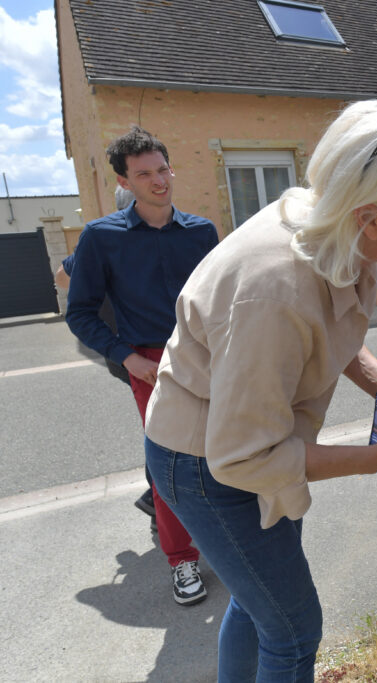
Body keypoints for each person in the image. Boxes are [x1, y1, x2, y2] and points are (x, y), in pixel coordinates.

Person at [143, 100, 377, 680]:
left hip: (246, 441)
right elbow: (244, 455)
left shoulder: (333, 227)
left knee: (258, 603)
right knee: (291, 628)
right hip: (209, 462)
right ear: (370, 216)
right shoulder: (275, 288)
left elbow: (327, 321)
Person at [65, 126, 220, 606]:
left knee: (224, 450)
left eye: (162, 170)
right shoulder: (100, 237)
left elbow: (218, 300)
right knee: (172, 463)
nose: (158, 181)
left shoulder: (202, 231)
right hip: (149, 364)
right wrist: (127, 357)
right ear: (125, 182)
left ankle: (232, 540)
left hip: (207, 356)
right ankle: (182, 559)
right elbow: (80, 313)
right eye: (144, 174)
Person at [57, 187, 159, 525]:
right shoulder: (113, 238)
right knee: (164, 425)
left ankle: (159, 498)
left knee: (161, 422)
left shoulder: (104, 237)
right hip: (136, 350)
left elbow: (61, 277)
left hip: (118, 347)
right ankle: (159, 499)